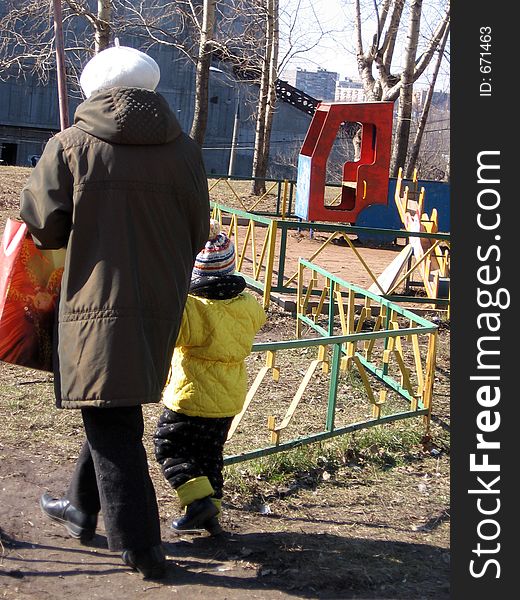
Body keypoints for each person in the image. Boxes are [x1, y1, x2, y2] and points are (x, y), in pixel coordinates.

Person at [19, 44, 210, 579]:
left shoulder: (71, 144)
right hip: (159, 305)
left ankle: (142, 547)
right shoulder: (186, 151)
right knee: (111, 405)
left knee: (111, 418)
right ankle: (81, 508)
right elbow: (199, 231)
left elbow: (43, 225)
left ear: (93, 89)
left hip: (94, 304)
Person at [154, 219, 266, 535]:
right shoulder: (248, 305)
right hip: (229, 399)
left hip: (191, 397)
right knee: (209, 455)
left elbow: (171, 333)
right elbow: (260, 319)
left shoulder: (191, 307)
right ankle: (210, 514)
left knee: (169, 446)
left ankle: (198, 501)